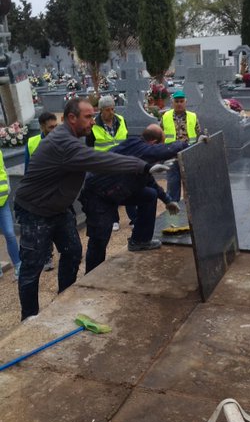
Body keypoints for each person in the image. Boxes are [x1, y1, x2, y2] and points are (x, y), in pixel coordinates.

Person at [14, 98, 167, 321]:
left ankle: (63, 300)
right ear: (71, 118)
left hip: (59, 208)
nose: (93, 121)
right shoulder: (63, 142)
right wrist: (143, 165)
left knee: (73, 252)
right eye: (88, 116)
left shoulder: (73, 137)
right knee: (32, 265)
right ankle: (29, 317)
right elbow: (100, 160)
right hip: (34, 210)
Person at [80, 123, 187, 273]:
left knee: (149, 194)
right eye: (159, 145)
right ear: (154, 143)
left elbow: (148, 180)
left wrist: (167, 200)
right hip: (98, 195)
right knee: (100, 237)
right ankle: (91, 274)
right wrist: (187, 144)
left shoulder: (140, 151)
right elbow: (164, 150)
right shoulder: (139, 147)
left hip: (116, 190)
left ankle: (140, 241)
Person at [86, 94, 129, 231]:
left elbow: (126, 139)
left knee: (128, 188)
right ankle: (114, 219)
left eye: (112, 109)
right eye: (107, 110)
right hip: (104, 164)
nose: (111, 112)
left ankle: (134, 219)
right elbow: (90, 147)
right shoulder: (93, 125)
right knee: (110, 192)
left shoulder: (121, 120)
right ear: (101, 110)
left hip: (121, 161)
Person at [25, 111, 58, 271]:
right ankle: (47, 257)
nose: (54, 130)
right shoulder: (32, 142)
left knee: (67, 221)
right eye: (50, 127)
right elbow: (27, 169)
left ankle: (71, 251)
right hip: (41, 192)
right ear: (42, 127)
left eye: (56, 126)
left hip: (59, 190)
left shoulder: (61, 140)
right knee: (44, 226)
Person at [160, 89, 201, 201]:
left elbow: (198, 133)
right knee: (173, 182)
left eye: (181, 101)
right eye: (177, 101)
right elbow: (160, 135)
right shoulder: (165, 116)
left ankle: (193, 203)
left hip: (188, 153)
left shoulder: (193, 116)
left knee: (190, 182)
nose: (179, 104)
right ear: (173, 103)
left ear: (185, 102)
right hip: (171, 154)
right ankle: (173, 205)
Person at [0, 150, 20, 280]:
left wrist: (7, 189)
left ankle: (18, 265)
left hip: (2, 201)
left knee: (10, 233)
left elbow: (3, 170)